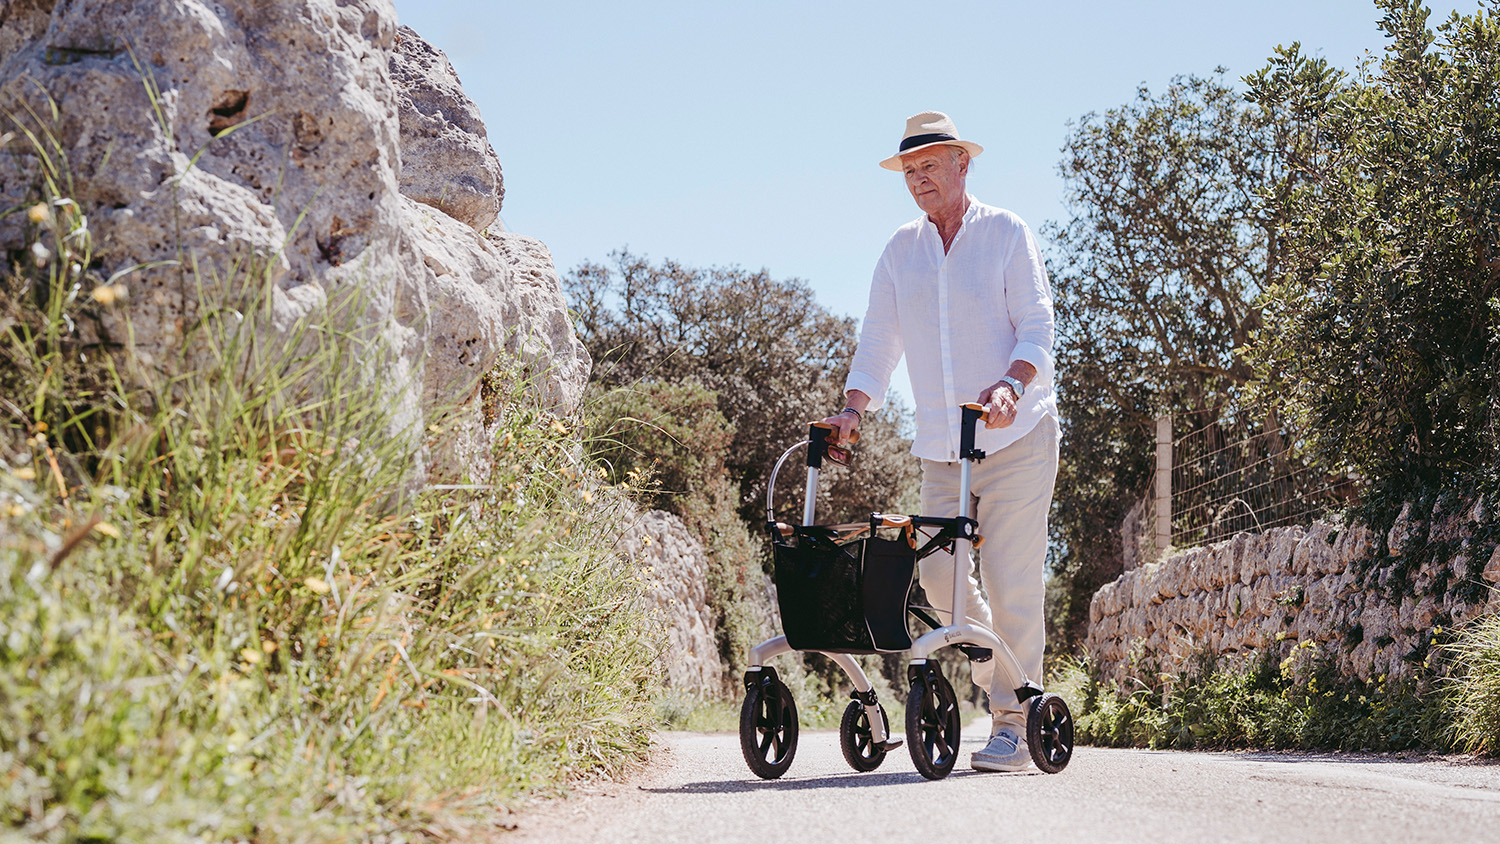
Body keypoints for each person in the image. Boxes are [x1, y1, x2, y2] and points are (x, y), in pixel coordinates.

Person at [823, 111, 1059, 772]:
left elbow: (1037, 324)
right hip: (942, 447)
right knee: (937, 574)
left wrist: (1012, 382)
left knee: (1011, 575)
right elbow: (879, 341)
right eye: (910, 170)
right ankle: (995, 667)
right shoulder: (901, 251)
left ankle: (1013, 718)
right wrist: (853, 408)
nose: (919, 178)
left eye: (930, 165)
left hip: (1017, 435)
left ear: (962, 163)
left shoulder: (1006, 232)